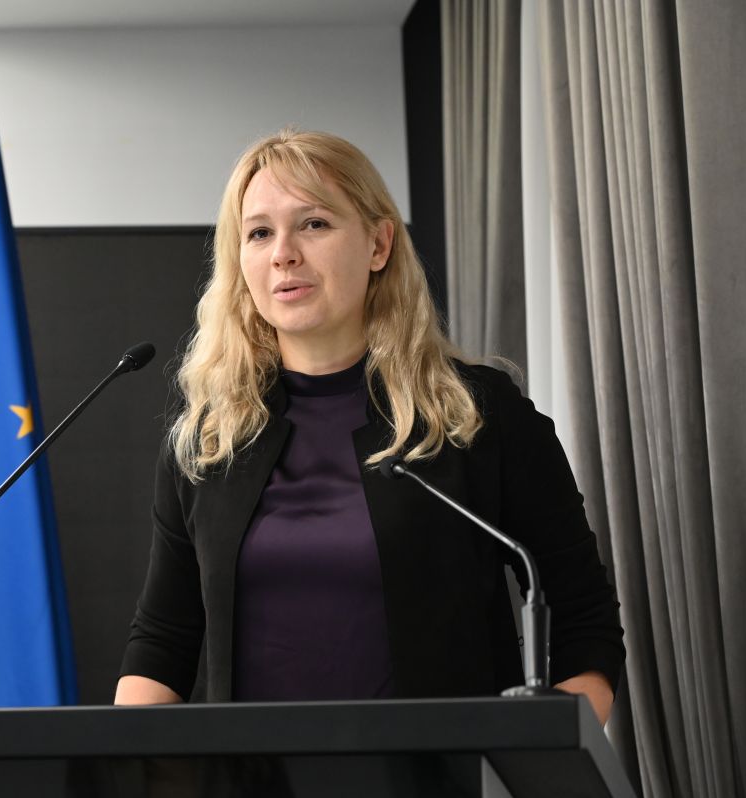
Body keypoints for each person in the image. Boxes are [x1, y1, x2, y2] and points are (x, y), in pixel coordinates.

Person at [115, 129, 624, 723]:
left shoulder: (475, 414)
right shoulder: (208, 442)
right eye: (259, 233)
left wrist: (542, 755)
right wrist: (130, 763)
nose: (283, 254)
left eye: (313, 224)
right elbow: (163, 641)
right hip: (253, 772)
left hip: (446, 769)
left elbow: (582, 618)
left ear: (379, 244)